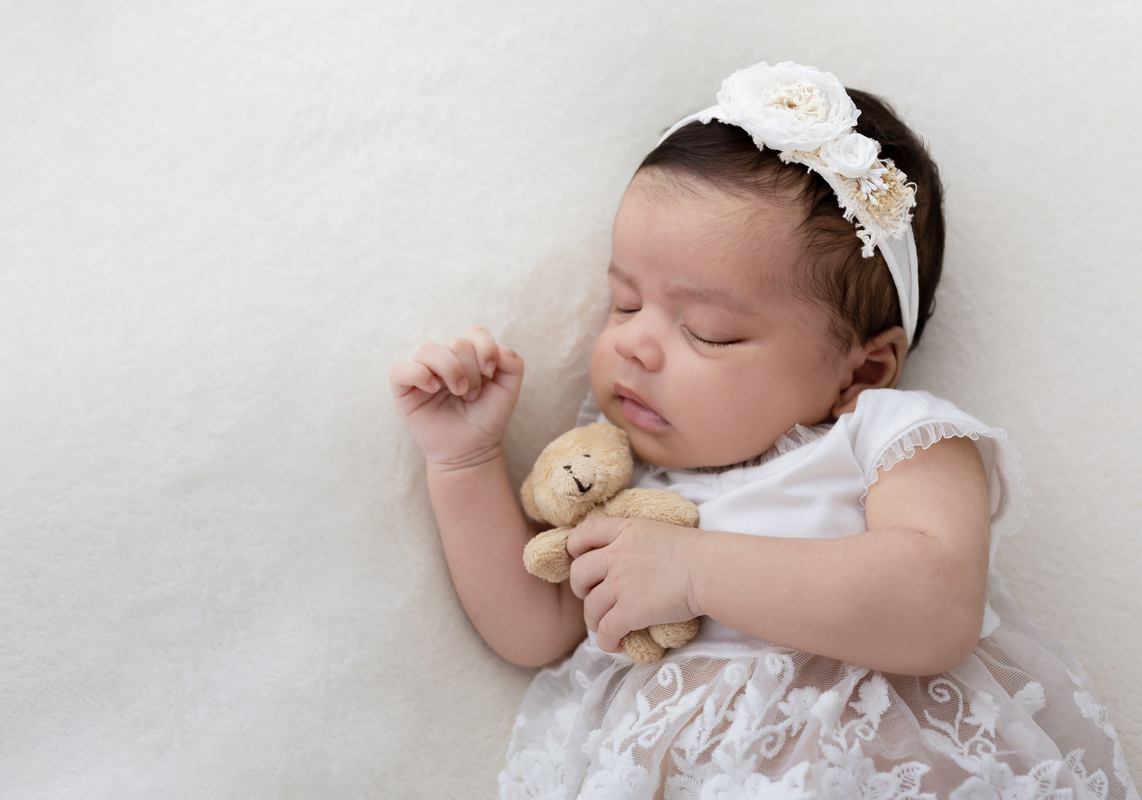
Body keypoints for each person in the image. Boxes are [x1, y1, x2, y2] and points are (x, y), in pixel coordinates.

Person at [389, 62, 1138, 799]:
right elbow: (534, 627)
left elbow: (937, 608)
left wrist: (693, 571)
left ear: (862, 372)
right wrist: (465, 459)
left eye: (708, 332)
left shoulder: (890, 438)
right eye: (623, 302)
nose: (634, 346)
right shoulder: (628, 474)